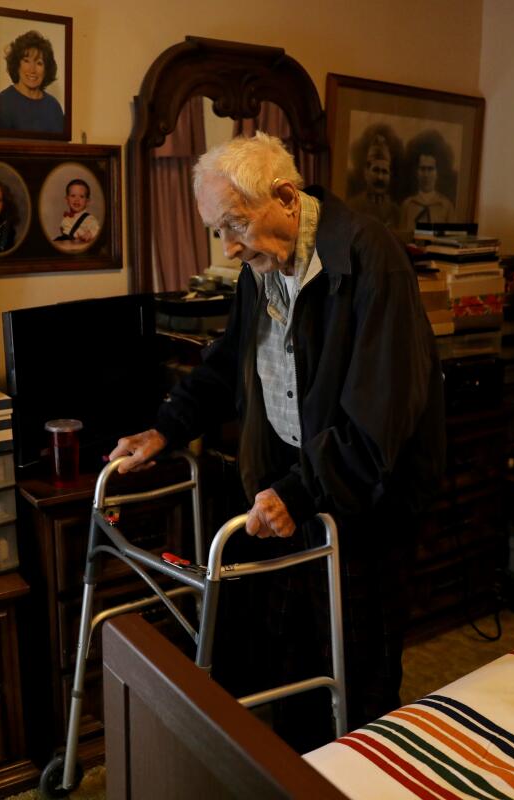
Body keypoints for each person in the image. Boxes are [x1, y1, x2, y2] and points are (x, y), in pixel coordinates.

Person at [108, 133, 445, 749]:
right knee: (294, 658)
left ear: (286, 197)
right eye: (219, 230)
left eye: (236, 223)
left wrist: (298, 488)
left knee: (360, 668)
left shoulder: (371, 259)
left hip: (362, 496)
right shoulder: (261, 265)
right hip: (296, 482)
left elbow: (378, 415)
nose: (230, 245)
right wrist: (169, 425)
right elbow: (232, 358)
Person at [0, 30, 65, 134]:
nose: (32, 70)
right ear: (17, 64)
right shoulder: (2, 102)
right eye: (26, 61)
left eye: (39, 63)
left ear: (46, 69)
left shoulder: (53, 107)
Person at [345, 124, 401, 228]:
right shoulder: (353, 207)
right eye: (376, 170)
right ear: (366, 172)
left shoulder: (396, 212)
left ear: (390, 176)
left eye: (384, 172)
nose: (380, 177)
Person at [399, 130, 456, 230]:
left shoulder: (446, 206)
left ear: (437, 172)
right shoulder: (407, 205)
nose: (426, 174)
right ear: (416, 172)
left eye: (430, 169)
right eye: (422, 169)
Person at [53, 178, 100, 245]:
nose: (77, 199)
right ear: (67, 199)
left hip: (78, 246)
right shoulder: (67, 217)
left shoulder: (89, 219)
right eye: (73, 196)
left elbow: (96, 229)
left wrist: (90, 234)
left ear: (87, 202)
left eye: (81, 196)